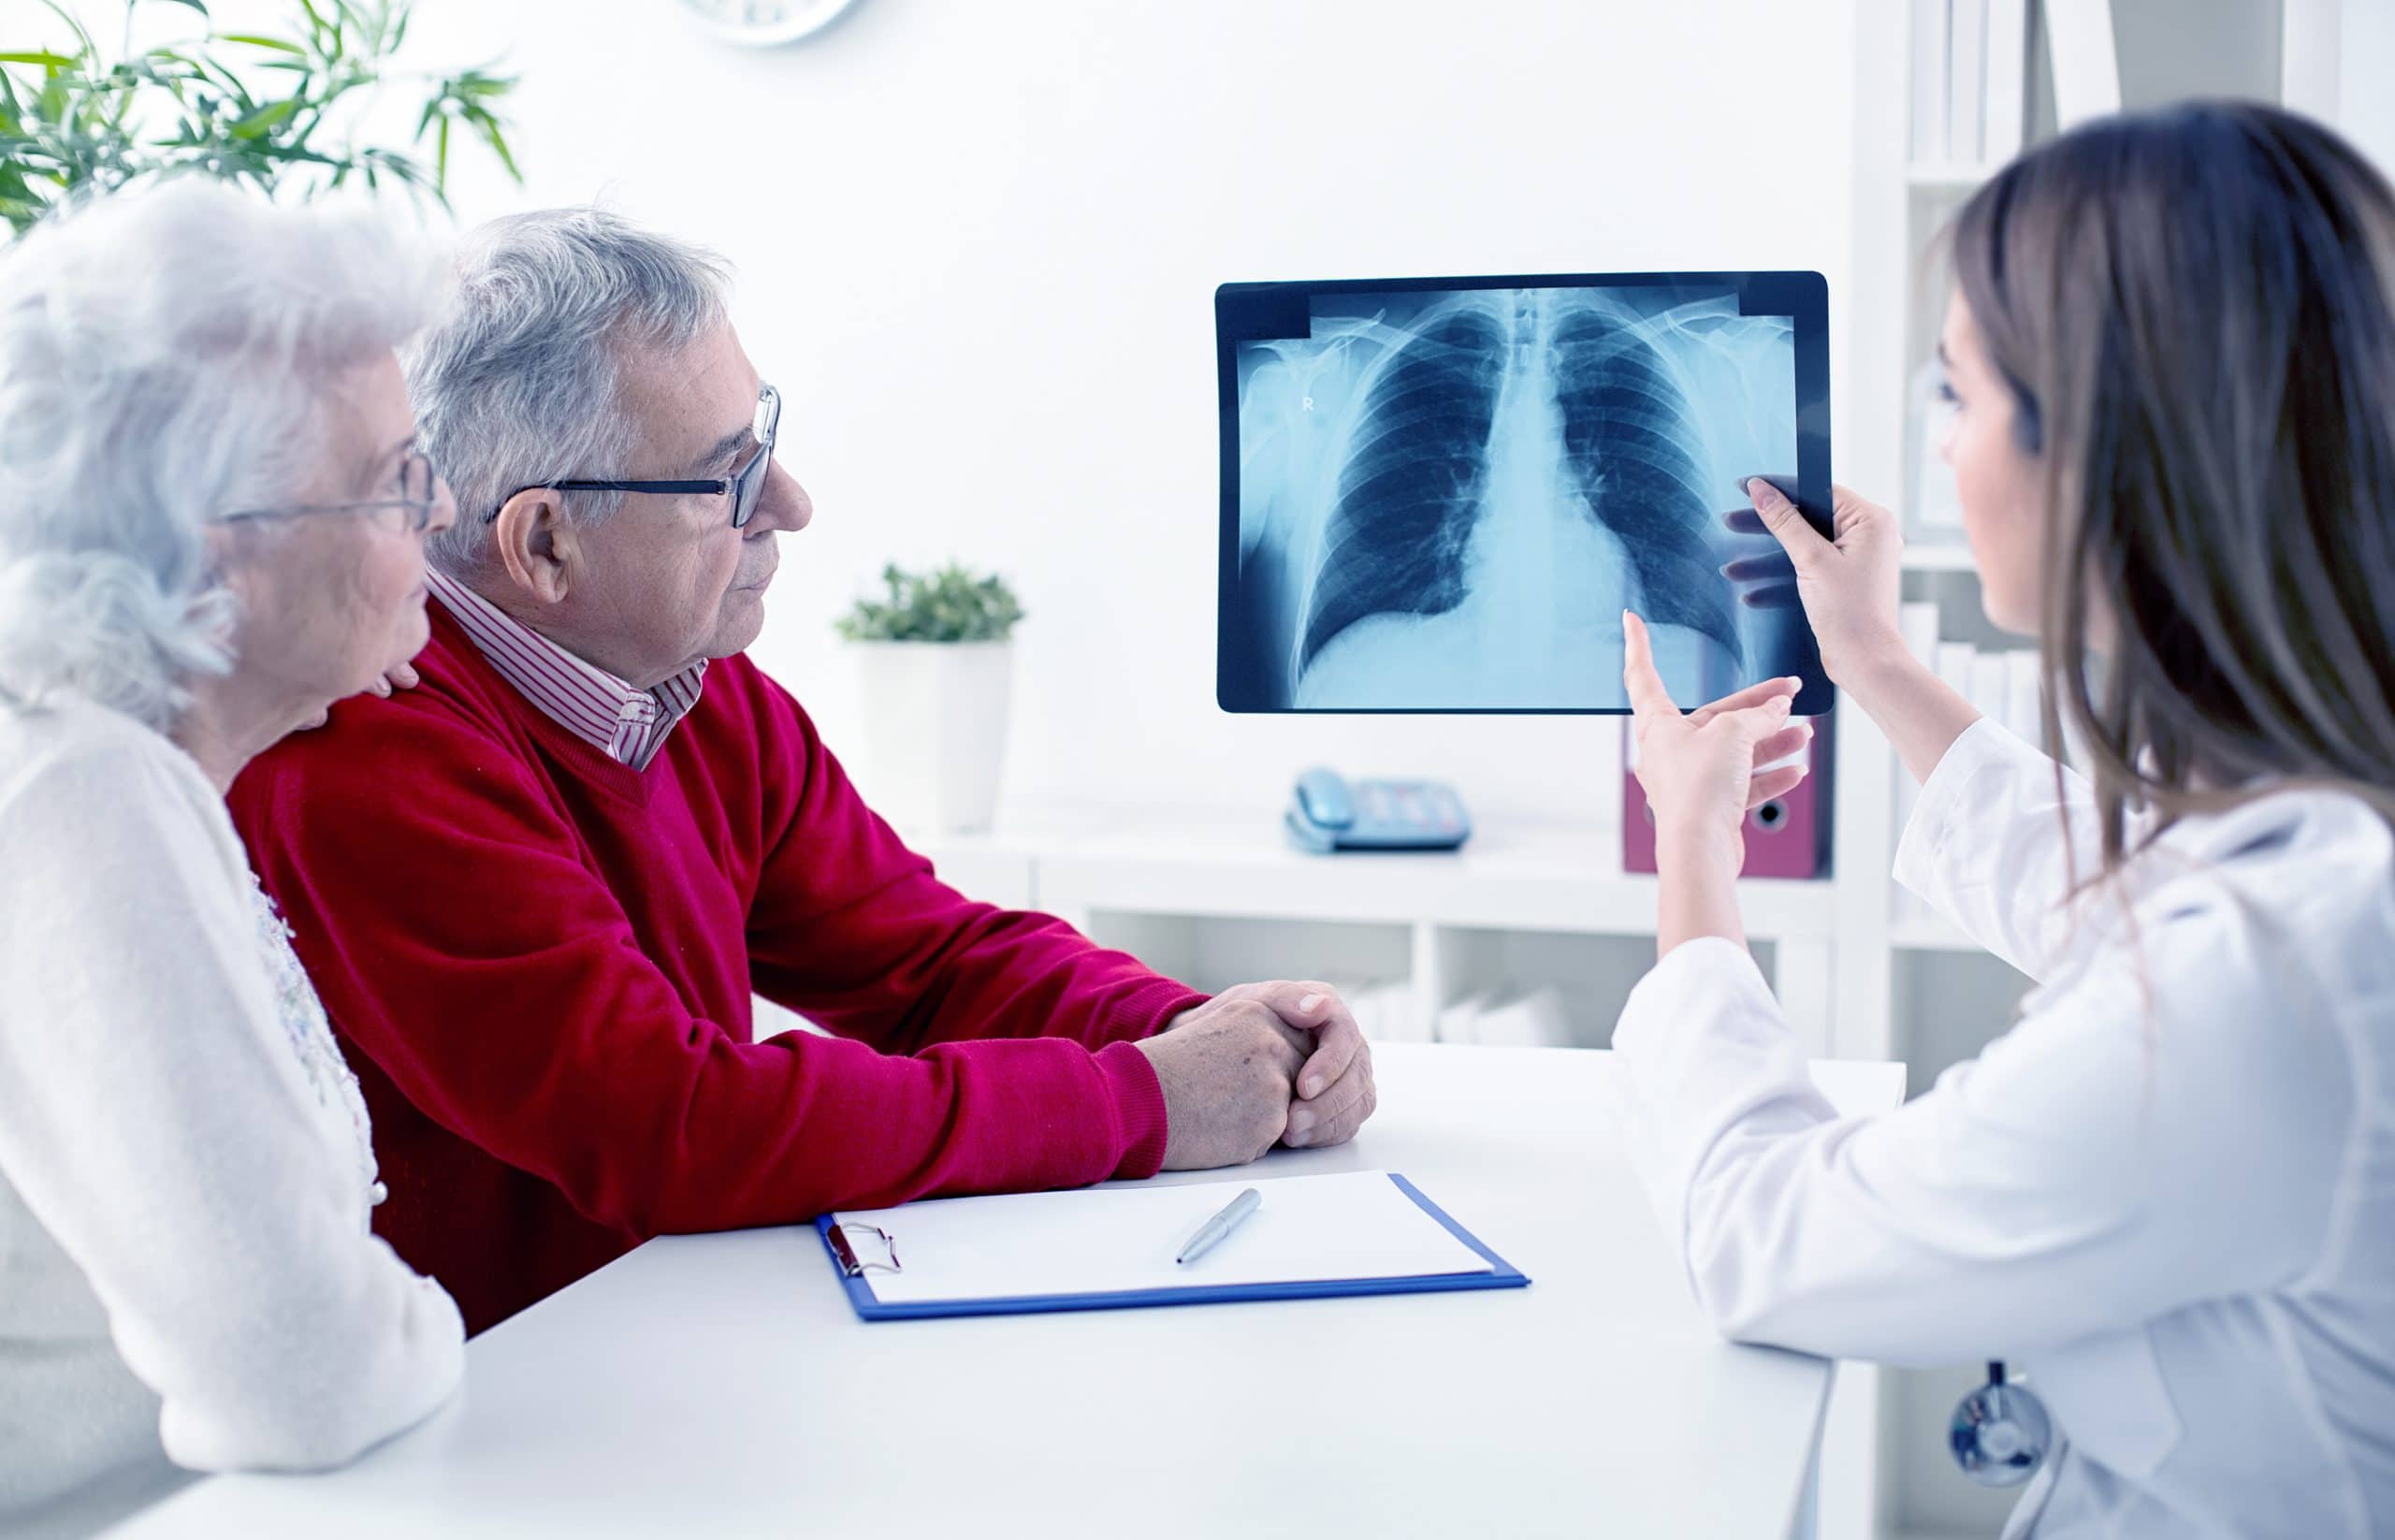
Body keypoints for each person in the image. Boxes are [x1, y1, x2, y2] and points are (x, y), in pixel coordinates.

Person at [227, 209, 1378, 1334]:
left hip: (676, 1337)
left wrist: (1214, 1030)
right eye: (728, 477)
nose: (790, 503)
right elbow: (672, 1124)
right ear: (543, 544)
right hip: (490, 1422)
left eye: (764, 438)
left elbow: (927, 960)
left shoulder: (692, 685)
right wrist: (1144, 1098)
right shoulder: (365, 749)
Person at [1612, 101, 2395, 1536]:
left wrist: (1692, 845)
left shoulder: (2257, 988)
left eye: (1960, 396)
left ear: (2100, 453)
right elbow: (2123, 906)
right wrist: (1878, 665)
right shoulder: (2323, 848)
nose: (1944, 453)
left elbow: (1763, 1237)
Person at [0, 182, 466, 1537]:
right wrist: (422, 1322)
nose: (433, 526)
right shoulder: (81, 791)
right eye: (393, 484)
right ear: (225, 545)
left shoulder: (117, 768)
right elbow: (306, 1372)